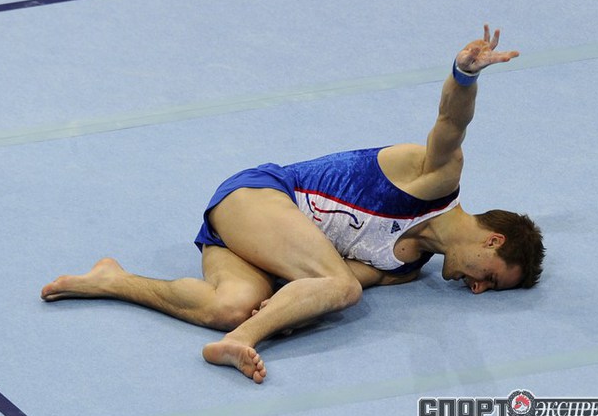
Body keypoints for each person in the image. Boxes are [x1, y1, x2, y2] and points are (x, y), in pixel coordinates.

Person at [41, 25, 545, 384]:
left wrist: (291, 312)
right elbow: (451, 124)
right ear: (493, 240)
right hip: (257, 197)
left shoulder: (407, 268)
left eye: (487, 288)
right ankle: (241, 341)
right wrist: (463, 75)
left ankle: (112, 280)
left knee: (228, 305)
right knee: (341, 287)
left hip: (259, 242)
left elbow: (307, 284)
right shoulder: (436, 178)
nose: (478, 288)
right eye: (491, 278)